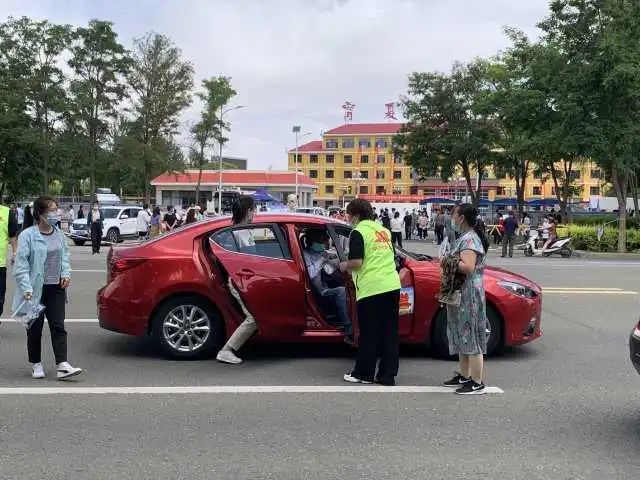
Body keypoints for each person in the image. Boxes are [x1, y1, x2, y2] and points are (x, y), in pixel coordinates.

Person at [12, 196, 83, 380]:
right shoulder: (28, 235)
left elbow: (65, 257)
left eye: (56, 209)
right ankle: (36, 363)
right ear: (41, 214)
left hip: (56, 288)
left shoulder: (59, 234)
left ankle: (62, 365)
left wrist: (66, 273)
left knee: (58, 325)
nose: (57, 213)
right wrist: (26, 288)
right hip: (35, 289)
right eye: (52, 210)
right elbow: (21, 266)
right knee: (34, 328)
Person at [339, 199, 401, 386]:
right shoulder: (383, 231)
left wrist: (343, 265)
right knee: (389, 333)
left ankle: (364, 374)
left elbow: (357, 262)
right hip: (392, 286)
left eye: (348, 214)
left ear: (356, 215)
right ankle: (387, 376)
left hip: (372, 289)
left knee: (369, 333)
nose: (347, 218)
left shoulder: (358, 232)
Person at [442, 204, 489, 395]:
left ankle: (476, 381)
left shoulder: (469, 240)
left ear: (461, 218)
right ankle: (464, 374)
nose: (451, 218)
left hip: (469, 293)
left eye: (454, 215)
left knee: (471, 333)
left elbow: (468, 267)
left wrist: (447, 261)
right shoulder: (465, 237)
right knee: (461, 332)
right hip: (462, 290)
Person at [216, 195, 258, 364]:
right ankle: (227, 350)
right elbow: (250, 257)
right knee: (253, 318)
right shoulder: (242, 233)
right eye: (254, 209)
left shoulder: (235, 229)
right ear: (248, 211)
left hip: (241, 279)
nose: (255, 213)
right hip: (240, 281)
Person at [302, 229, 353, 344]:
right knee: (341, 291)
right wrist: (322, 260)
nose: (323, 244)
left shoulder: (322, 252)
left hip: (326, 284)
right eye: (320, 242)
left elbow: (335, 257)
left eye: (324, 241)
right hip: (320, 291)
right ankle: (348, 327)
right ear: (312, 242)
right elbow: (311, 273)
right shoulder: (306, 255)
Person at [0, 202, 19, 319]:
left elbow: (12, 236)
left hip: (0, 265)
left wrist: (15, 253)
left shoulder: (7, 213)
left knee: (0, 297)